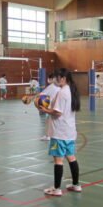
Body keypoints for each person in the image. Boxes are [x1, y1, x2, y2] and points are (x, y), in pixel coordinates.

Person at [40, 68, 81, 196]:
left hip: (59, 132)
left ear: (63, 78)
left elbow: (57, 112)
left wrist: (45, 110)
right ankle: (76, 184)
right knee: (71, 158)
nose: (55, 80)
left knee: (58, 160)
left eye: (57, 78)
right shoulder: (71, 90)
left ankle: (56, 188)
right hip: (69, 132)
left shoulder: (63, 92)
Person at [39, 72, 60, 141]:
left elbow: (41, 94)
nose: (48, 80)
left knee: (50, 121)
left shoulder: (51, 86)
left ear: (51, 79)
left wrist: (31, 97)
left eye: (49, 79)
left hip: (53, 107)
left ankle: (49, 135)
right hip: (54, 106)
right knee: (48, 121)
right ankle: (47, 135)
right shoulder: (58, 86)